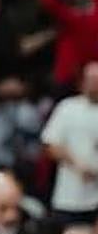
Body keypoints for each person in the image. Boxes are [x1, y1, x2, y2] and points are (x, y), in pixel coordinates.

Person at [42, 62, 98, 224]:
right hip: (70, 197)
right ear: (82, 82)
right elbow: (50, 144)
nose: (94, 85)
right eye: (91, 80)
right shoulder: (67, 108)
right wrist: (77, 164)